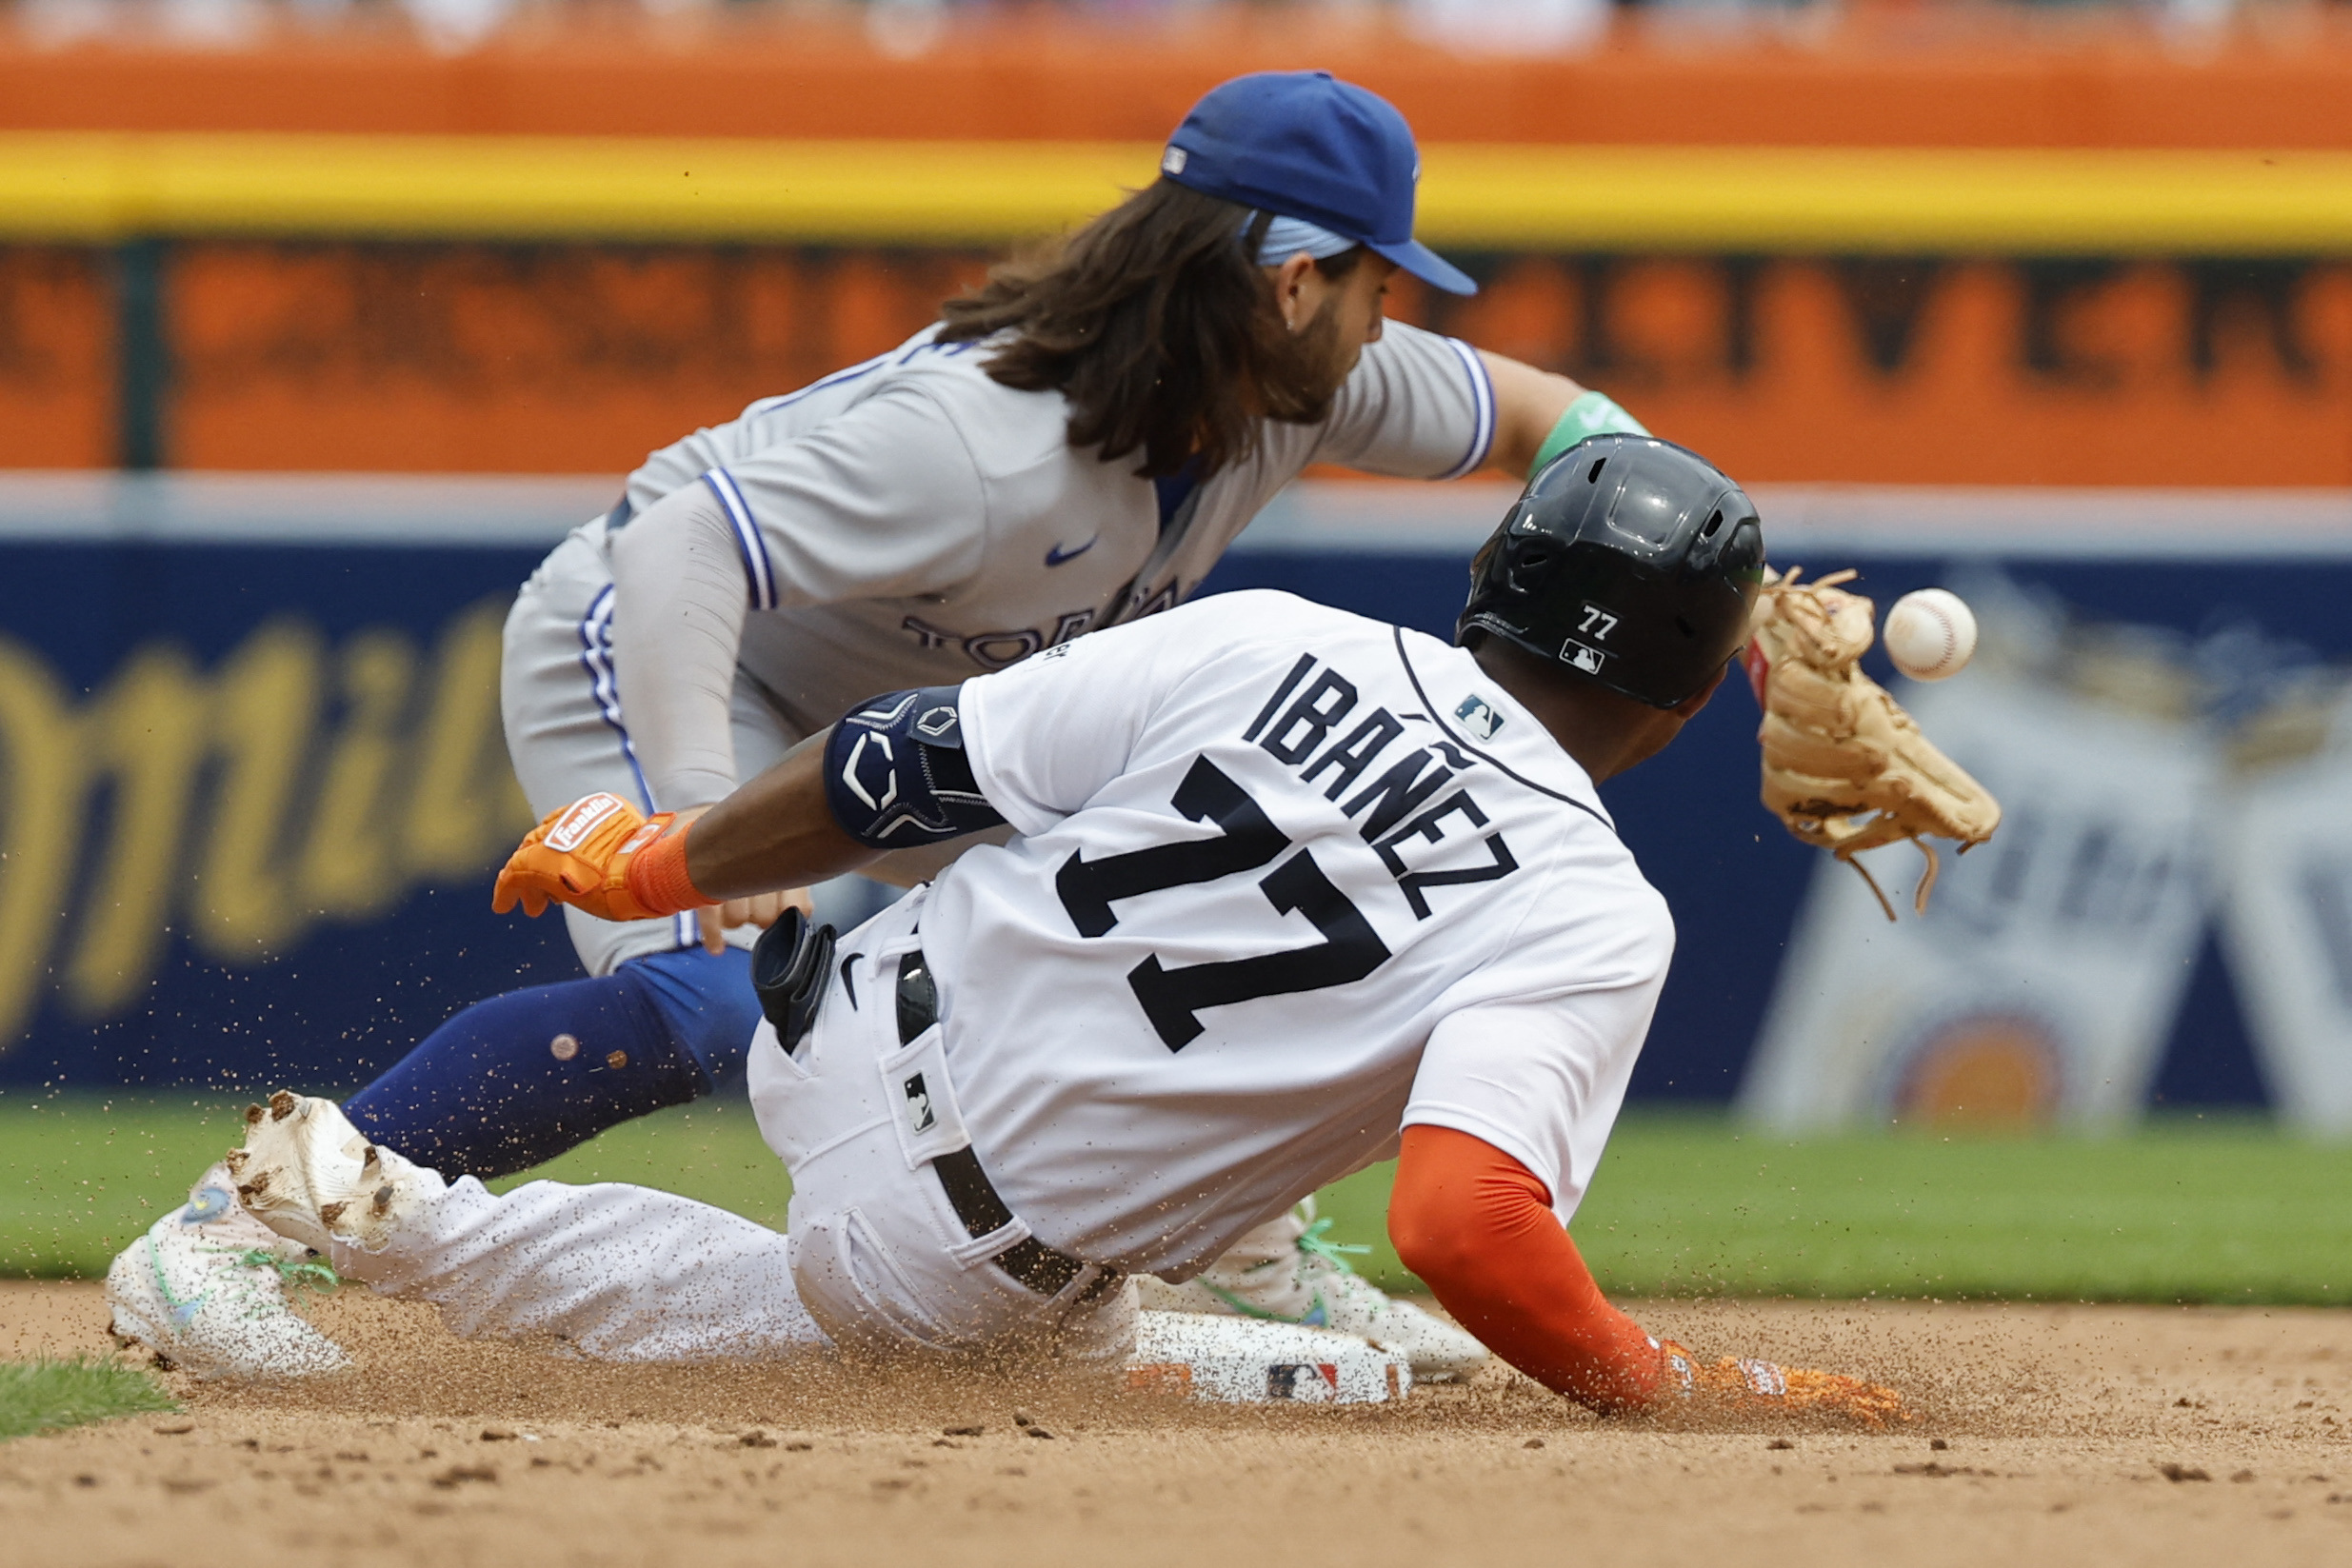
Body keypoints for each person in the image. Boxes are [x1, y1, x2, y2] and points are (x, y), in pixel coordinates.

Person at [104, 68, 1661, 1381]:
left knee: (1184, 895)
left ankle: (1254, 1255)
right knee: (699, 1004)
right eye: (1381, 277)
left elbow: (1554, 423)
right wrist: (699, 823)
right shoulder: (983, 445)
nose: (1396, 312)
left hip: (906, 698)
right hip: (674, 645)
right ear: (1291, 277)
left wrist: (1701, 544)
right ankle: (228, 1234)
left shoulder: (1308, 386)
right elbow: (676, 545)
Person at [198, 437, 1900, 1425]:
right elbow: (1463, 1219)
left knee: (1238, 1367)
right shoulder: (1592, 910)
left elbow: (893, 767)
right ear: (1681, 706)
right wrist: (1647, 1380)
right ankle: (392, 1217)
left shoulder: (1270, 637)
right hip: (951, 1271)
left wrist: (657, 867)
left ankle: (354, 1187)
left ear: (1489, 579)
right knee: (1204, 1370)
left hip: (838, 1005)